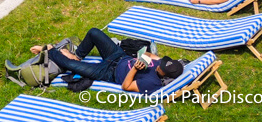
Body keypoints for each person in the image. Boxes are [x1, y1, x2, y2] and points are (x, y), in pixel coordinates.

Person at [41, 27, 184, 94]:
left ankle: (49, 50)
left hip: (109, 72)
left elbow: (126, 87)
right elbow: (151, 55)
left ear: (164, 74)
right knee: (94, 32)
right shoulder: (161, 64)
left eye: (162, 65)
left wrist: (135, 69)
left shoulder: (151, 83)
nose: (160, 63)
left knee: (70, 65)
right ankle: (78, 55)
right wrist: (142, 57)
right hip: (119, 56)